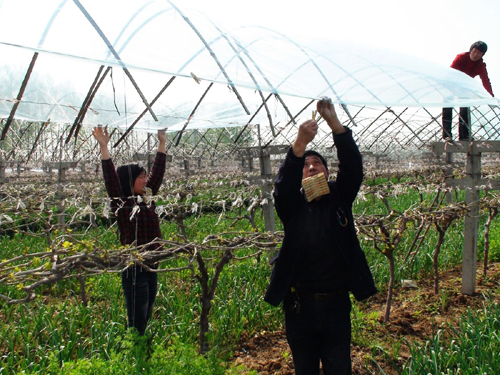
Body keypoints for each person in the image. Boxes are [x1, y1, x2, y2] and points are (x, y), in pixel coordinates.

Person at [264, 98, 377, 375]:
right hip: (299, 305)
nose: (312, 167)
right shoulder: (293, 205)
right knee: (305, 368)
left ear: (327, 173)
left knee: (339, 367)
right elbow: (282, 188)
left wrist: (333, 123)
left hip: (336, 304)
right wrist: (299, 144)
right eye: (306, 165)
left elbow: (353, 168)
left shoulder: (339, 198)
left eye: (318, 164)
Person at [93, 126, 167, 336]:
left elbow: (157, 174)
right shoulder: (122, 203)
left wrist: (161, 143)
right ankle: (135, 352)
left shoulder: (147, 197)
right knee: (137, 316)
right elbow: (111, 180)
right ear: (129, 180)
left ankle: (142, 348)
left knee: (148, 311)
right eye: (140, 177)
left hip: (151, 264)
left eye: (145, 177)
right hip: (134, 268)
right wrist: (104, 147)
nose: (145, 181)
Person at [442, 41, 494, 141]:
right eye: (474, 51)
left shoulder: (480, 65)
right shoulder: (461, 57)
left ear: (482, 55)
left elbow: (485, 81)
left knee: (465, 111)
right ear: (470, 50)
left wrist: (490, 96)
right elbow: (451, 74)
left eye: (479, 53)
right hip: (451, 84)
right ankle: (447, 135)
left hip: (464, 88)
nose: (475, 55)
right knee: (447, 108)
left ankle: (464, 136)